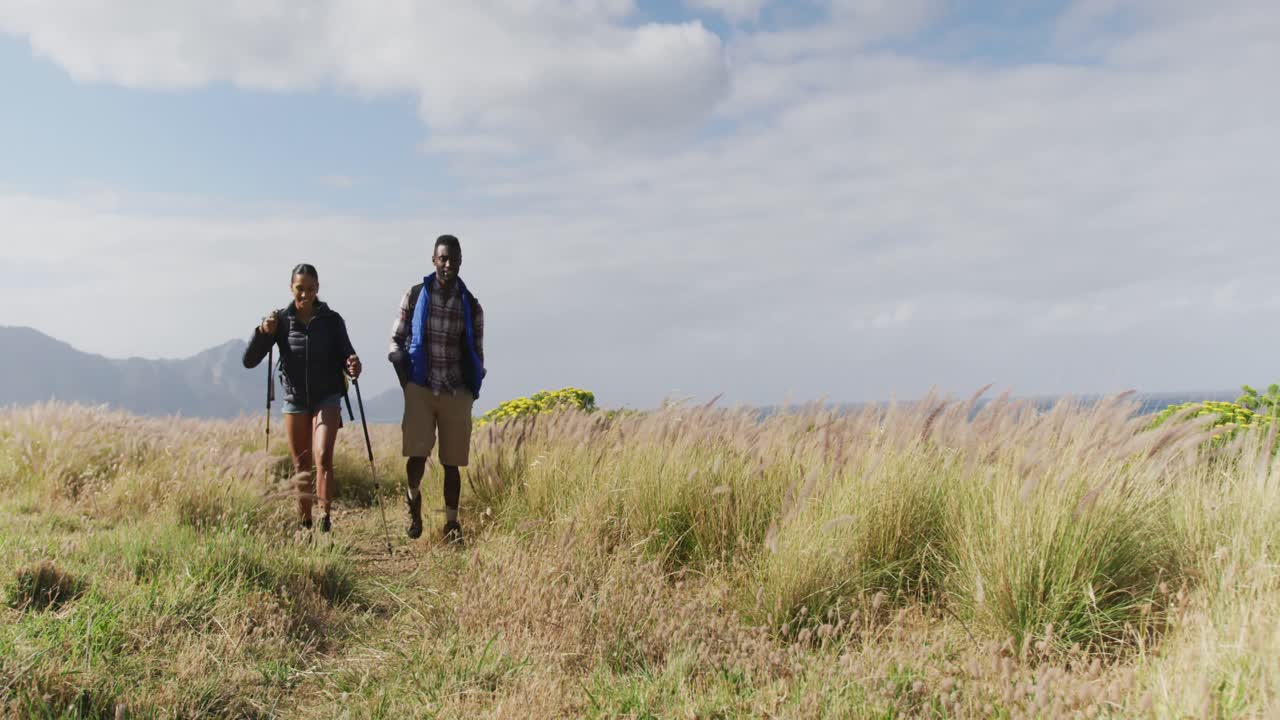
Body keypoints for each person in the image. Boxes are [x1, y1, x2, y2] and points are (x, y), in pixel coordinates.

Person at [243, 263, 362, 532]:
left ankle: (324, 517)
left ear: (317, 289)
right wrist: (263, 332)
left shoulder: (332, 321)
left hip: (327, 397)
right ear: (291, 288)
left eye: (310, 289)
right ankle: (304, 523)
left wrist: (354, 365)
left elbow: (348, 356)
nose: (305, 295)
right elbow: (249, 361)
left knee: (323, 456)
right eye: (300, 289)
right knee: (301, 464)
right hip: (295, 399)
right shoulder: (281, 321)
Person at [388, 234, 486, 544]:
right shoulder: (415, 295)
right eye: (442, 258)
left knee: (452, 462)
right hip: (421, 386)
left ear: (460, 262)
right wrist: (406, 380)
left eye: (453, 259)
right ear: (433, 260)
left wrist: (472, 386)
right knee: (416, 456)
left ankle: (452, 525)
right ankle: (413, 500)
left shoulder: (470, 305)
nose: (448, 264)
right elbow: (396, 340)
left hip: (455, 390)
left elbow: (477, 352)